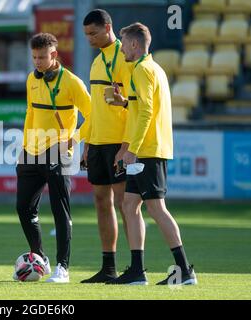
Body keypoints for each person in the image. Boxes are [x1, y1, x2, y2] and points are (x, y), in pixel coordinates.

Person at [107, 22, 197, 285]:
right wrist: (124, 103)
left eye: (123, 43)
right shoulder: (152, 68)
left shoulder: (142, 70)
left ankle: (184, 271)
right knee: (129, 204)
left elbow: (146, 112)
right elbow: (142, 108)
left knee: (156, 208)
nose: (122, 48)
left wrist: (132, 149)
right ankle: (137, 271)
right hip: (146, 148)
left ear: (134, 45)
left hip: (147, 150)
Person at [15, 33, 91, 283]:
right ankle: (41, 258)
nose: (37, 62)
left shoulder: (72, 83)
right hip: (31, 153)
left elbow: (93, 116)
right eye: (34, 57)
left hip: (59, 153)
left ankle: (63, 268)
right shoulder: (31, 79)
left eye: (41, 57)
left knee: (60, 211)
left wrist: (74, 139)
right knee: (23, 208)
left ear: (54, 55)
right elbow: (30, 114)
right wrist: (24, 148)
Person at [80, 9, 134, 283]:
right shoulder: (97, 61)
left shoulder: (124, 57)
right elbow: (94, 107)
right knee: (102, 202)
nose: (89, 39)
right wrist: (88, 141)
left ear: (108, 27)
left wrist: (126, 145)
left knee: (126, 204)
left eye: (94, 33)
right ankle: (109, 266)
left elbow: (132, 104)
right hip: (99, 142)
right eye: (86, 34)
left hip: (118, 142)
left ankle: (136, 265)